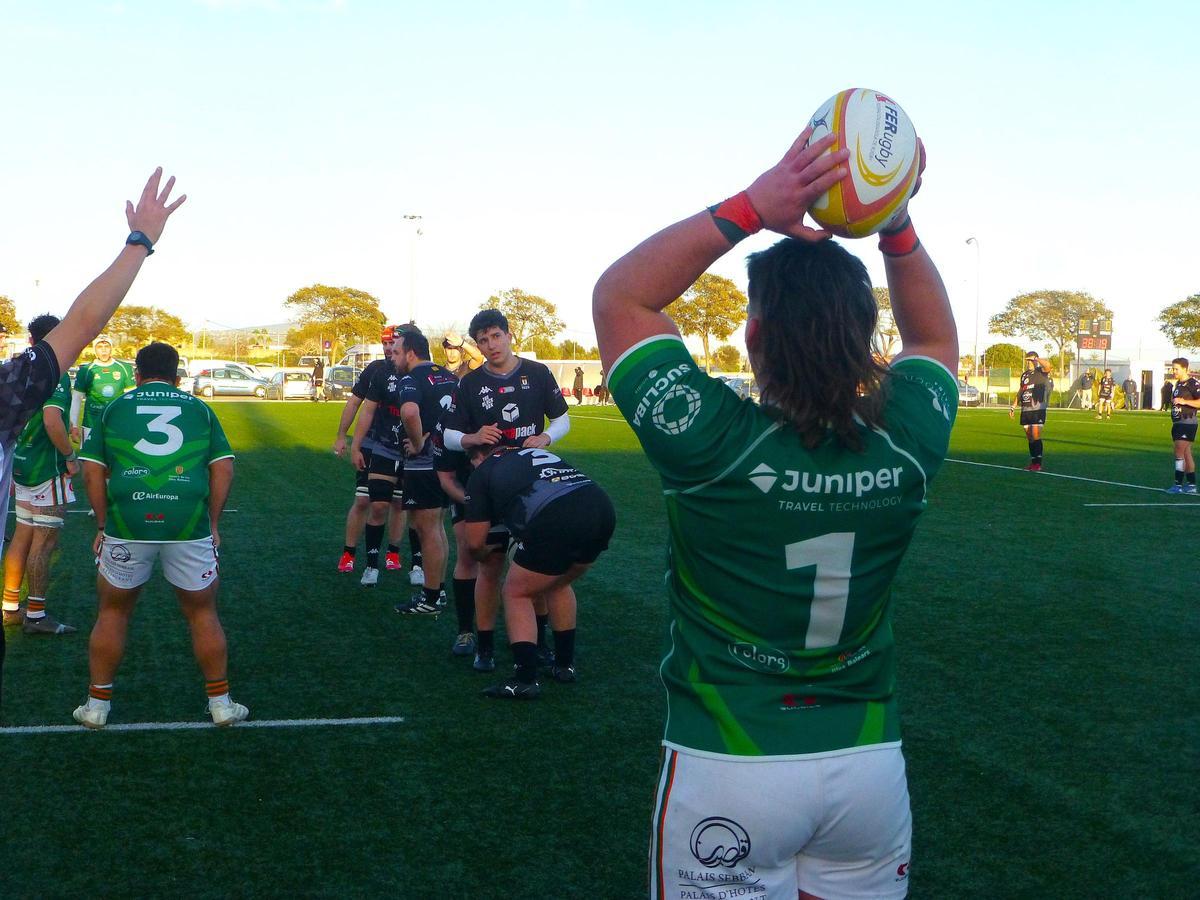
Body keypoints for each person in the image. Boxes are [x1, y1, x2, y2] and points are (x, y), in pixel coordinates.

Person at [593, 127, 956, 899]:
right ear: (866, 339)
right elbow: (933, 335)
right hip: (867, 767)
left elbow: (622, 296)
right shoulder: (908, 445)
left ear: (753, 333)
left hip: (731, 764)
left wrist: (752, 206)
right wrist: (894, 219)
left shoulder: (712, 442)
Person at [1, 167, 186, 712]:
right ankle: (27, 608)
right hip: (44, 470)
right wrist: (140, 242)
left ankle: (22, 605)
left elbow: (79, 325)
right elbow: (83, 322)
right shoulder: (11, 391)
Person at [74, 342, 242, 729]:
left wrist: (103, 524)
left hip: (128, 522)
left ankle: (97, 706)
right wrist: (212, 522)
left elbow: (91, 471)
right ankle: (220, 704)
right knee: (202, 612)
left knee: (113, 610)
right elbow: (225, 468)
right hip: (187, 523)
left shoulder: (116, 408)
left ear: (136, 373)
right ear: (177, 375)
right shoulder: (200, 408)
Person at [441, 309, 571, 671]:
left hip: (529, 484)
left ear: (509, 335)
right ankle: (483, 645)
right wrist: (472, 437)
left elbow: (562, 420)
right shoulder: (469, 383)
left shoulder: (538, 373)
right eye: (483, 340)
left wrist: (546, 436)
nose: (490, 345)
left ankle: (539, 642)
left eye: (496, 336)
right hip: (486, 486)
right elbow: (449, 435)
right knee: (489, 564)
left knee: (536, 565)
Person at [463, 444, 614, 698]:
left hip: (556, 515)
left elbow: (476, 543)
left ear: (478, 457)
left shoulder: (482, 470)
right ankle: (564, 666)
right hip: (601, 507)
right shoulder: (531, 454)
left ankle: (524, 679)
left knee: (515, 593)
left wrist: (483, 556)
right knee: (556, 583)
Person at [2, 315, 79, 635]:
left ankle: (9, 606)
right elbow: (51, 420)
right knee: (44, 542)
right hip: (46, 468)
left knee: (22, 534)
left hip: (21, 463)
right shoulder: (56, 374)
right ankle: (36, 614)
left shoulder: (19, 372)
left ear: (32, 342)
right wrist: (70, 457)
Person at [332, 325, 420, 581]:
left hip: (405, 448)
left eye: (392, 342)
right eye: (384, 342)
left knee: (399, 502)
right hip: (375, 445)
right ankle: (349, 553)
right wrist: (342, 437)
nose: (388, 348)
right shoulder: (376, 370)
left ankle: (393, 552)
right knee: (364, 500)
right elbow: (356, 404)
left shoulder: (416, 372)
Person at [387, 331, 458, 615]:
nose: (392, 357)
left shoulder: (410, 379)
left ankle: (431, 598)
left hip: (425, 463)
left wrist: (417, 443)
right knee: (437, 527)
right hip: (451, 461)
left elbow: (409, 413)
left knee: (426, 528)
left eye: (396, 352)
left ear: (411, 353)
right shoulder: (449, 376)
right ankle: (437, 591)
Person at [70, 334, 135, 445]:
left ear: (111, 348)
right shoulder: (86, 370)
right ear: (95, 350)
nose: (104, 350)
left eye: (107, 347)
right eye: (100, 347)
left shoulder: (125, 368)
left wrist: (131, 424)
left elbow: (131, 399)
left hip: (116, 424)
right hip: (91, 424)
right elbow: (76, 398)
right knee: (89, 460)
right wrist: (74, 426)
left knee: (114, 459)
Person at [1009, 351, 1052, 470]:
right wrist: (1013, 406)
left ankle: (1038, 463)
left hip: (1037, 408)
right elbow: (1020, 391)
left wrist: (1037, 359)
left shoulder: (1040, 372)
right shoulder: (1024, 375)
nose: (1028, 362)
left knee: (1035, 434)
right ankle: (1033, 462)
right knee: (1029, 436)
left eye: (1029, 360)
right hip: (1026, 409)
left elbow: (1048, 366)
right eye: (1026, 360)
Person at [1167, 358, 1199, 494]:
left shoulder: (1193, 383)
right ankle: (1191, 485)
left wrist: (1184, 401)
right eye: (1173, 369)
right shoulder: (1178, 384)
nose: (1174, 371)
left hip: (1187, 422)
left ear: (1185, 369)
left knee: (1179, 451)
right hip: (1178, 422)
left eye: (1176, 369)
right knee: (1186, 453)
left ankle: (1178, 484)